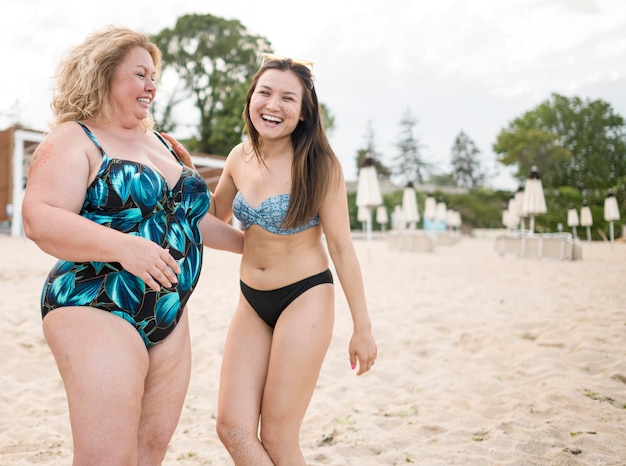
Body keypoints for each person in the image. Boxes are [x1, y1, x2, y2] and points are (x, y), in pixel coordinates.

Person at [21, 26, 243, 465]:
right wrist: (125, 248)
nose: (151, 85)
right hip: (95, 305)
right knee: (107, 458)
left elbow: (191, 220)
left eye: (154, 75)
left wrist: (254, 246)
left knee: (148, 453)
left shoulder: (166, 145)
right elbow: (38, 217)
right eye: (140, 73)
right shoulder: (75, 138)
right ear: (104, 74)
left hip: (170, 316)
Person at [171, 53, 378, 465]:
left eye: (288, 98)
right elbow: (214, 216)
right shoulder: (238, 157)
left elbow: (341, 248)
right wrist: (189, 173)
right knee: (232, 427)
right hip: (252, 300)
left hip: (305, 297)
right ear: (251, 99)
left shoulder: (319, 166)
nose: (273, 105)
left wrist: (363, 328)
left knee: (280, 436)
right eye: (264, 92)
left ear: (303, 113)